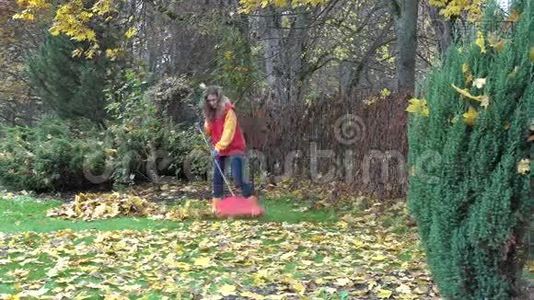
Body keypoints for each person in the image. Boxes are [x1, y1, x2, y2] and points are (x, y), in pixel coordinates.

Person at [202, 85, 256, 211]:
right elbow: (210, 131)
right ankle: (217, 207)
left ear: (219, 98)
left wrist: (218, 148)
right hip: (220, 149)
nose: (212, 103)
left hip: (234, 146)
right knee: (217, 177)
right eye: (209, 101)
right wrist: (206, 123)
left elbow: (229, 132)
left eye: (214, 100)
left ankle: (252, 206)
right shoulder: (211, 113)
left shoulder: (228, 112)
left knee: (239, 178)